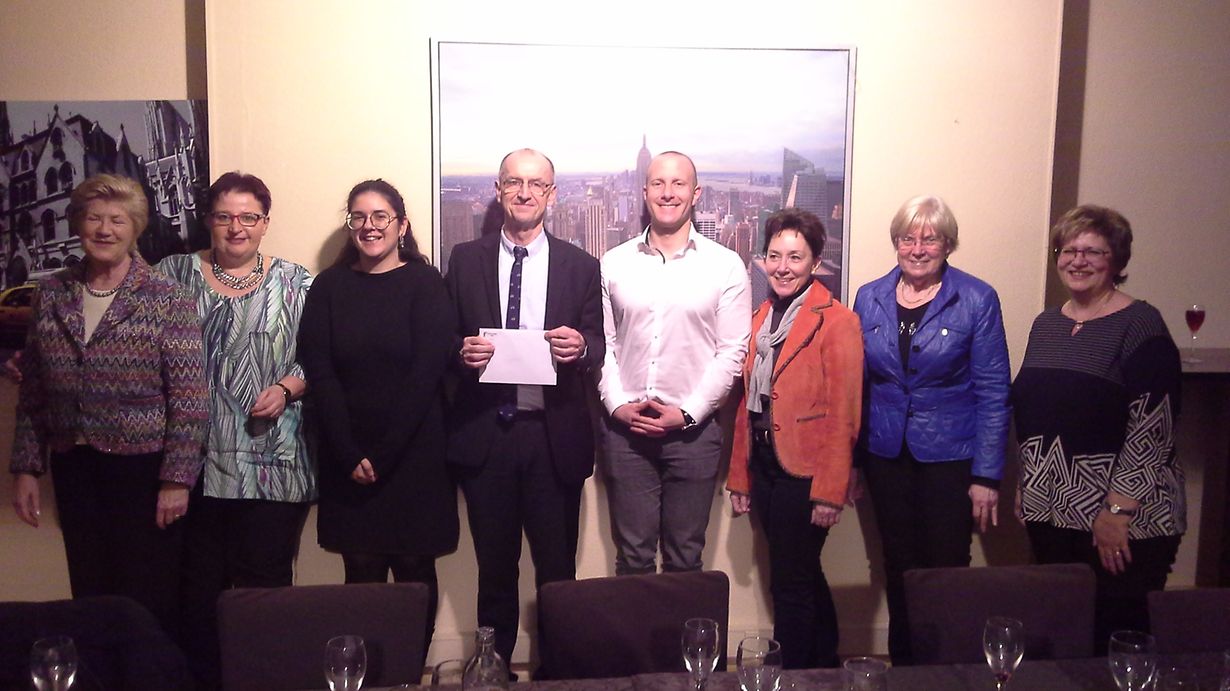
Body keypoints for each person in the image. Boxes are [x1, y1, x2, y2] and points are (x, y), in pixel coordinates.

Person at [8, 173, 208, 637]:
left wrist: (176, 480)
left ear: (134, 227)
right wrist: (26, 468)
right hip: (75, 466)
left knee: (146, 597)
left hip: (143, 472)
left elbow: (190, 399)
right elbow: (35, 388)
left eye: (117, 220)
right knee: (89, 591)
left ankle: (148, 671)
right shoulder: (52, 293)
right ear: (78, 223)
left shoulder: (166, 297)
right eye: (94, 218)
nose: (104, 230)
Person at [446, 148, 603, 670]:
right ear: (498, 190)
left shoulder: (581, 265)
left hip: (551, 437)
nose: (525, 192)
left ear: (551, 194)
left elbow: (599, 343)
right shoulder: (464, 259)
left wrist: (581, 347)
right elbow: (444, 339)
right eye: (514, 182)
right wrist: (460, 351)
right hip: (487, 435)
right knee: (494, 570)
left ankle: (561, 671)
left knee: (557, 571)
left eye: (536, 184)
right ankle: (493, 671)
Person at [155, 172, 314, 688]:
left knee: (265, 596)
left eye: (249, 217)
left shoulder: (297, 282)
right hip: (193, 467)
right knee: (198, 599)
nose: (236, 227)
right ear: (208, 220)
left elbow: (325, 358)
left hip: (273, 468)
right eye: (224, 216)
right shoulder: (172, 274)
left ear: (265, 223)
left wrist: (287, 387)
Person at [1012, 205, 1182, 651]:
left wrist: (1118, 511)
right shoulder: (1047, 324)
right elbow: (1037, 411)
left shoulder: (1141, 324)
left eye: (1092, 251)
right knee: (1061, 635)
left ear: (1116, 259)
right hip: (1052, 512)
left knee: (1114, 639)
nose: (1078, 260)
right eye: (1068, 250)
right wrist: (1029, 484)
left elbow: (1153, 428)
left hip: (1123, 520)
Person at [297, 179, 457, 651]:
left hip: (414, 458)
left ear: (401, 225)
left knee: (414, 572)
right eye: (359, 217)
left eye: (380, 216)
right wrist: (348, 452)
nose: (370, 226)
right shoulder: (328, 287)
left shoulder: (426, 284)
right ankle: (365, 677)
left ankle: (408, 673)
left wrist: (384, 455)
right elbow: (320, 371)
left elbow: (426, 375)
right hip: (347, 456)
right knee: (360, 574)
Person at [851, 195, 1011, 665]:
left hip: (951, 459)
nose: (917, 249)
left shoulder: (977, 298)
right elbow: (859, 385)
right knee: (897, 566)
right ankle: (905, 667)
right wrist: (853, 461)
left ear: (948, 244)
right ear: (896, 242)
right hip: (885, 455)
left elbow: (993, 391)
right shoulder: (869, 296)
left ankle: (945, 670)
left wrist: (986, 476)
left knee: (946, 568)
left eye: (930, 239)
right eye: (908, 238)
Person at [599, 151, 751, 575]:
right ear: (644, 191)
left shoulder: (726, 266)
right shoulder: (614, 262)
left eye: (678, 184)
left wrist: (687, 413)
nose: (668, 193)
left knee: (685, 559)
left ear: (696, 193)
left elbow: (732, 351)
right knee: (632, 559)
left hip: (694, 436)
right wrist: (617, 406)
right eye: (658, 184)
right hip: (627, 434)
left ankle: (684, 629)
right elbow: (604, 345)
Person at [726, 208, 863, 669]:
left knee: (790, 583)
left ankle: (789, 675)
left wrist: (830, 492)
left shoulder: (837, 320)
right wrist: (740, 477)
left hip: (805, 473)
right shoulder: (761, 318)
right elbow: (748, 406)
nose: (782, 267)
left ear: (816, 262)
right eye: (774, 256)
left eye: (795, 257)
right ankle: (824, 662)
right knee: (800, 573)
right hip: (766, 466)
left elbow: (845, 413)